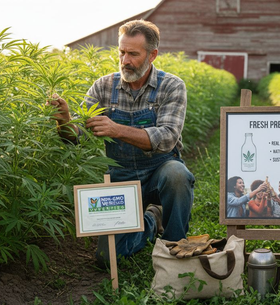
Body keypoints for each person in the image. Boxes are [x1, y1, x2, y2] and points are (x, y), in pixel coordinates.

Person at [47, 20, 195, 263]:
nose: (125, 60)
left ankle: (174, 247)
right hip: (122, 177)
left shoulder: (172, 86)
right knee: (108, 257)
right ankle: (151, 221)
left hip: (160, 170)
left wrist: (117, 129)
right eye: (122, 52)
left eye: (133, 54)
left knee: (177, 175)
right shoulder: (104, 86)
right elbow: (76, 137)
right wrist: (63, 122)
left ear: (152, 55)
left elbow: (167, 137)